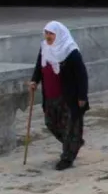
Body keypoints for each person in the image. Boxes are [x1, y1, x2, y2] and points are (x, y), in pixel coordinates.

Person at [29, 21, 89, 171]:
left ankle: (67, 157)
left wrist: (82, 96)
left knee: (70, 127)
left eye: (51, 34)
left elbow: (82, 75)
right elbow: (39, 66)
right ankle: (73, 143)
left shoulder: (71, 51)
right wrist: (34, 80)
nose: (48, 37)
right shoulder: (44, 47)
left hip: (68, 97)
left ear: (59, 35)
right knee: (51, 124)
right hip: (50, 95)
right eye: (47, 33)